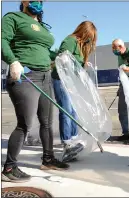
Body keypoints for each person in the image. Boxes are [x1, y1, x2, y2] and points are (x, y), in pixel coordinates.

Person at [1, 1, 69, 183]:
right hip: (26, 75)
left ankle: (48, 159)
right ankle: (9, 168)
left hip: (46, 76)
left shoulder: (41, 24)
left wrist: (61, 57)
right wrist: (12, 61)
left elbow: (44, 50)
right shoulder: (12, 18)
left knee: (46, 122)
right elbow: (2, 41)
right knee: (25, 124)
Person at [51, 21, 97, 162]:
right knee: (66, 110)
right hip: (61, 79)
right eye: (89, 36)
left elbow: (75, 64)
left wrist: (82, 65)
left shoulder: (81, 46)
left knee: (74, 111)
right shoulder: (70, 41)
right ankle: (67, 142)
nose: (90, 40)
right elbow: (61, 59)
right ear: (83, 32)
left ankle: (74, 140)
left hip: (71, 82)